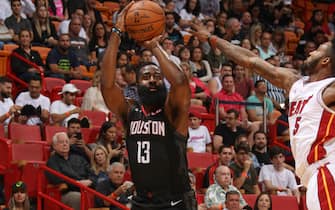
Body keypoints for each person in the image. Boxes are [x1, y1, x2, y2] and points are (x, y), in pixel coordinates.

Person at [192, 23, 335, 210]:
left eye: (318, 51)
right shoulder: (295, 83)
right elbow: (251, 60)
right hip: (312, 174)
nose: (311, 51)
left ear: (325, 61)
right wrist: (213, 39)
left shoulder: (330, 89)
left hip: (327, 167)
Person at [101, 3, 196, 210]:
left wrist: (154, 46)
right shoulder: (130, 113)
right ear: (136, 85)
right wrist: (116, 33)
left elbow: (180, 82)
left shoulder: (172, 112)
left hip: (175, 200)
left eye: (157, 76)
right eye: (146, 77)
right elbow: (107, 84)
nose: (152, 80)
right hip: (142, 201)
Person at [46, 132, 94, 210]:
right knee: (78, 197)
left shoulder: (79, 158)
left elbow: (92, 172)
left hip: (86, 188)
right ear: (54, 146)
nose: (65, 144)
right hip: (67, 192)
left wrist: (91, 181)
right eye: (61, 142)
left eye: (66, 142)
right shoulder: (52, 161)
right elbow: (57, 179)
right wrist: (77, 183)